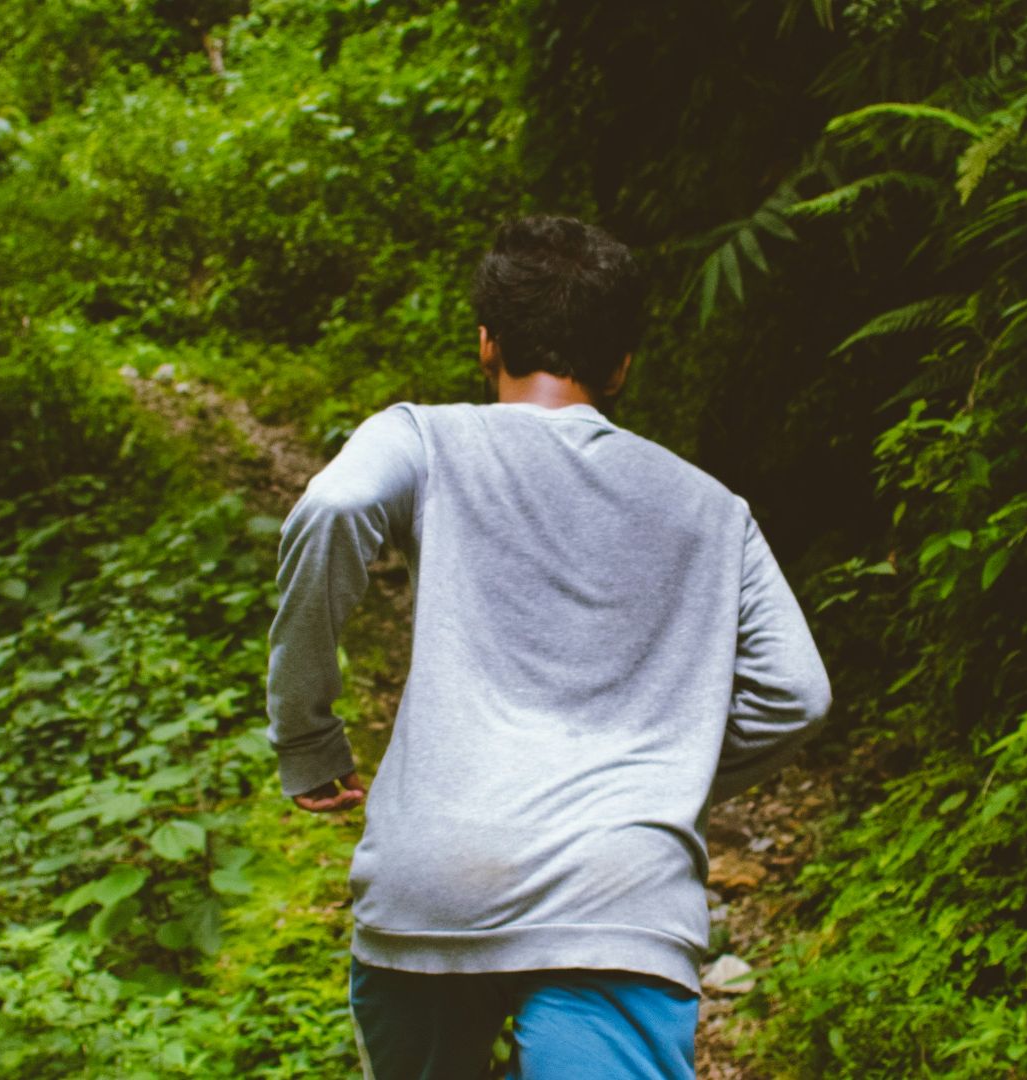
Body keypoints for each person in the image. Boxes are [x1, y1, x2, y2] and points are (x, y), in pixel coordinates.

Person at [264, 214, 833, 1080]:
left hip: (435, 885)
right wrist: (655, 777)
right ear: (622, 363)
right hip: (621, 900)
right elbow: (798, 692)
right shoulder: (715, 510)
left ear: (486, 343)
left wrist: (307, 740)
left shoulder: (422, 437)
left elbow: (335, 508)